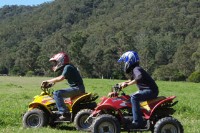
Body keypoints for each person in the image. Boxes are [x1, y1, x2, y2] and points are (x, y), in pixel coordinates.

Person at [117, 51, 159, 128]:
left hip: (150, 91)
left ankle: (137, 122)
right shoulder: (135, 70)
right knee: (128, 98)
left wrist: (127, 84)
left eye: (125, 61)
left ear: (129, 60)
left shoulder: (136, 69)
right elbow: (131, 80)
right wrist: (120, 84)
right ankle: (133, 116)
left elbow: (139, 77)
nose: (125, 64)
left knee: (134, 97)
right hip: (148, 90)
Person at [42, 52, 85, 120]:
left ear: (60, 60)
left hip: (78, 88)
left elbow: (61, 78)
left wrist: (48, 81)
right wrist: (51, 84)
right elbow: (62, 78)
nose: (55, 64)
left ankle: (64, 113)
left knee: (57, 93)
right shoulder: (68, 67)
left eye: (55, 62)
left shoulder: (68, 67)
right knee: (60, 97)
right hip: (78, 88)